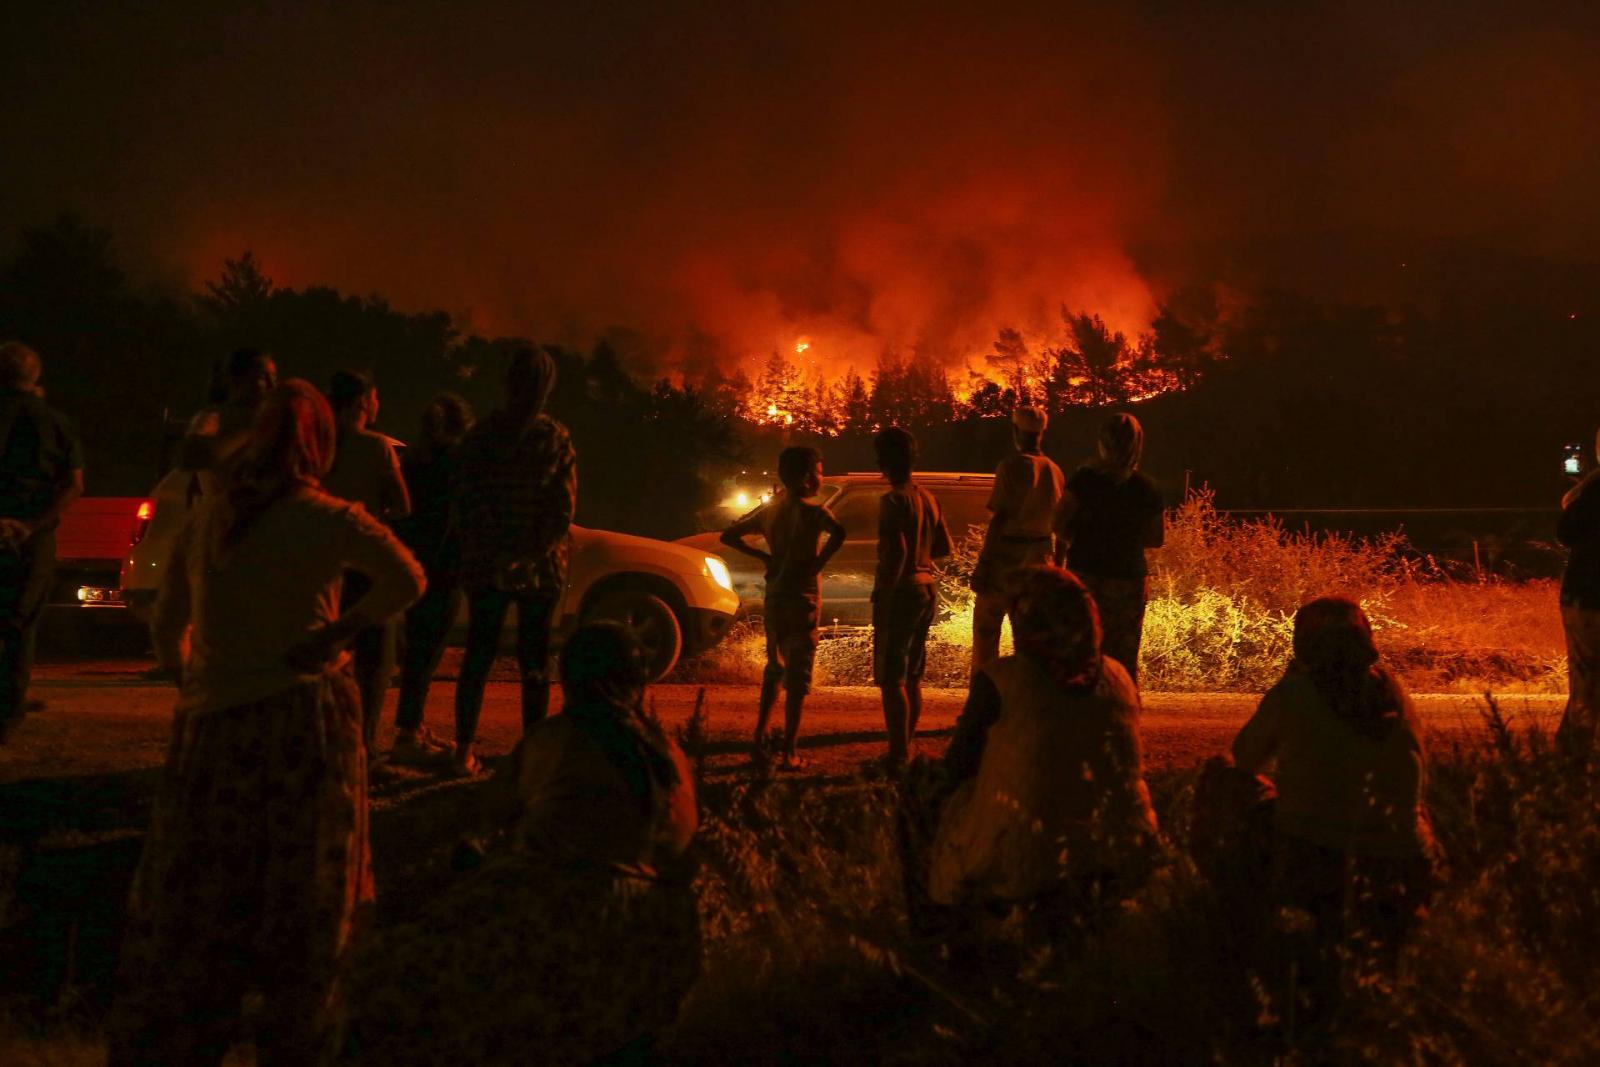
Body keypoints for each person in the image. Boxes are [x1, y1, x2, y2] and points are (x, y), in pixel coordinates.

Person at [107, 380, 424, 1066]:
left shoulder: (211, 517)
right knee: (305, 894)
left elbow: (167, 619)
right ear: (320, 447)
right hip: (302, 717)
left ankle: (185, 1034)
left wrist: (194, 672)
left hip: (214, 728)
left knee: (202, 894)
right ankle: (299, 1036)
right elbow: (408, 578)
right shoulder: (329, 517)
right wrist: (341, 631)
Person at [344, 624, 701, 1066]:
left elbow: (489, 814)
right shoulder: (670, 754)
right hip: (666, 936)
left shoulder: (559, 736)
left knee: (387, 981)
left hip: (570, 912)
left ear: (569, 678)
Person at [930, 565, 1160, 920]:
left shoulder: (1004, 678)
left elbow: (958, 767)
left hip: (1026, 867)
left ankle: (939, 924)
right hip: (1124, 854)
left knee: (922, 792)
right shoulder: (1118, 675)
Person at [1230, 597, 1436, 969]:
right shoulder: (1396, 693)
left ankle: (1244, 933)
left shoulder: (1294, 693)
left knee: (1224, 785)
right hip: (1404, 859)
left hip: (1320, 856)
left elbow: (1243, 758)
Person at [452, 347, 576, 776]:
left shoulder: (482, 436)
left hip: (486, 566)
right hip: (540, 571)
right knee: (535, 664)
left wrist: (495, 552)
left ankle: (462, 750)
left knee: (478, 657)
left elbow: (467, 500)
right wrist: (529, 555)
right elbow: (562, 510)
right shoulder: (555, 438)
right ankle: (531, 755)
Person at [721, 445, 845, 770]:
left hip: (775, 597)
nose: (821, 477)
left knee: (773, 669)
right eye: (819, 471)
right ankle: (789, 751)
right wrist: (817, 563)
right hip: (802, 600)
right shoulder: (812, 512)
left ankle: (758, 741)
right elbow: (839, 532)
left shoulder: (770, 512)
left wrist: (766, 558)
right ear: (806, 478)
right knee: (797, 677)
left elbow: (729, 535)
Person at [322, 370, 412, 753]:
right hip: (368, 566)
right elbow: (405, 506)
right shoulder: (377, 447)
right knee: (375, 664)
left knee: (327, 656)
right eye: (375, 398)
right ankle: (365, 744)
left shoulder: (317, 445)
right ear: (362, 401)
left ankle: (325, 738)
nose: (378, 406)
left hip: (324, 566)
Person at [0, 342, 84, 743]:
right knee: (19, 626)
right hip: (31, 539)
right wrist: (30, 525)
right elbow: (73, 484)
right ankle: (7, 716)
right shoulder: (54, 422)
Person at [390, 392, 474, 762]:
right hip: (443, 570)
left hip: (410, 566)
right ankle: (408, 734)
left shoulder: (410, 464)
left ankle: (408, 728)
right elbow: (456, 518)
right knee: (425, 654)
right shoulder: (455, 465)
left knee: (412, 653)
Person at [1054, 412, 1163, 684]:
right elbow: (1155, 538)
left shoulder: (1084, 480)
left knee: (1083, 647)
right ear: (1138, 445)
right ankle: (1121, 711)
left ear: (1103, 442)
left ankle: (1081, 713)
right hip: (1129, 579)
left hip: (1086, 573)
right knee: (1123, 654)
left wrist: (1078, 537)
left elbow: (1057, 522)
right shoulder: (1146, 488)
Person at [873, 427, 952, 766]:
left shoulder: (892, 501)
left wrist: (884, 594)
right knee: (913, 675)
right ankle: (907, 744)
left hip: (902, 590)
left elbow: (896, 553)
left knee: (892, 678)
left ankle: (898, 754)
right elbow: (943, 547)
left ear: (883, 462)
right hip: (926, 587)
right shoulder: (928, 497)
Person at [971, 405, 1064, 674]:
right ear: (1043, 432)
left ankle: (985, 701)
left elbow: (1001, 518)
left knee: (987, 634)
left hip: (1006, 561)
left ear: (1015, 431)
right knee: (1031, 640)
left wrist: (985, 563)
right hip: (1040, 562)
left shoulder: (1011, 466)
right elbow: (1061, 527)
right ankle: (1029, 700)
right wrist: (1059, 567)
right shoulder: (1055, 471)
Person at [179, 347, 278, 496]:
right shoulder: (215, 416)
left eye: (274, 378)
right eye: (263, 377)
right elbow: (188, 457)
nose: (272, 386)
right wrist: (252, 430)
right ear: (237, 380)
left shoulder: (275, 419)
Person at [1557, 429, 1600, 751]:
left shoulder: (1590, 491)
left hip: (1584, 596)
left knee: (1586, 679)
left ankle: (1574, 753)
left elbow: (1566, 533)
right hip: (1588, 594)